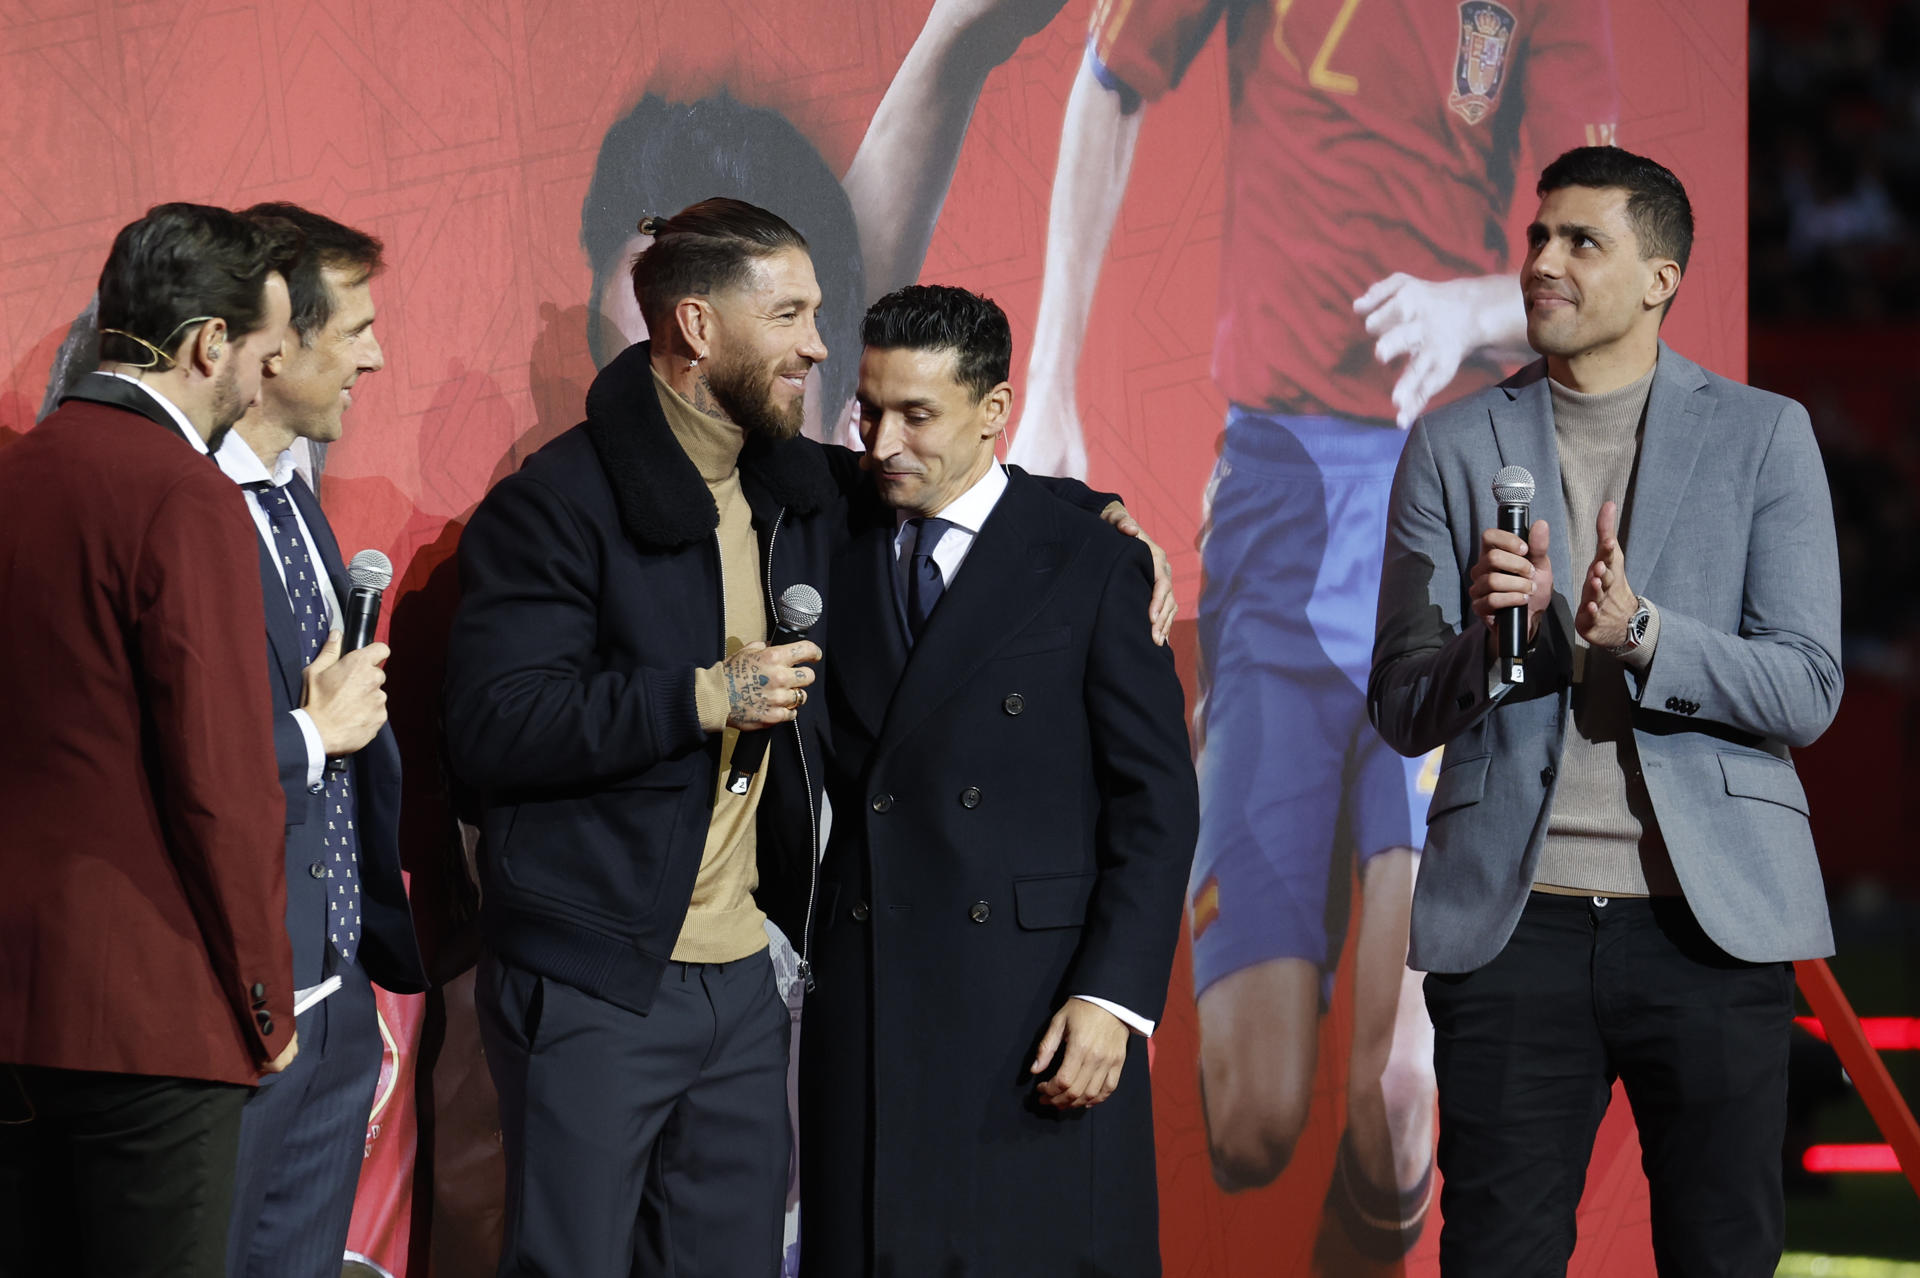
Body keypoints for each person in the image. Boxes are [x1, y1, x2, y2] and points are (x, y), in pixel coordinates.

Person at [1006, 0, 1618, 1251]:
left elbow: (1612, 254)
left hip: (1455, 520)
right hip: (1278, 518)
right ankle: (1329, 872)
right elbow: (1108, 82)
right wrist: (1051, 395)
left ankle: (1385, 891)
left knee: (1398, 1108)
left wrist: (1469, 307)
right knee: (1251, 1123)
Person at [445, 199, 1153, 1278]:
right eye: (790, 315)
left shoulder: (792, 488)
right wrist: (702, 697)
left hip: (742, 981)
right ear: (696, 326)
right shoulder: (556, 507)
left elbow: (956, 480)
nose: (819, 347)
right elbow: (493, 726)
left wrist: (1097, 513)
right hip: (599, 970)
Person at [1370, 145, 1842, 1274]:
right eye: (1539, 238)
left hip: (1709, 926)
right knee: (1498, 1256)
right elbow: (1399, 700)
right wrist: (1496, 641)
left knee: (1721, 1253)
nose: (1543, 261)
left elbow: (1809, 685)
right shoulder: (1450, 443)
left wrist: (1643, 635)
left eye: (1583, 241)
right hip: (1512, 925)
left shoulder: (1763, 435)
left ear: (1660, 278)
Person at [797, 285, 1197, 1278]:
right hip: (869, 992)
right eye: (869, 409)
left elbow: (1159, 807)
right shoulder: (827, 530)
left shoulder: (1092, 567)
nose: (884, 441)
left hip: (1041, 1006)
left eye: (918, 415)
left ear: (994, 409)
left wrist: (1114, 999)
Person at [0, 203, 301, 1276]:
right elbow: (222, 783)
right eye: (262, 353)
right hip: (150, 1023)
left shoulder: (17, 473)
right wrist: (267, 1001)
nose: (263, 382)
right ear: (208, 344)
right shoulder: (184, 496)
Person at [214, 202, 429, 1278]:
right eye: (354, 332)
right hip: (230, 1008)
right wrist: (313, 729)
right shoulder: (182, 510)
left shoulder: (294, 500)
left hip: (335, 992)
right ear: (274, 343)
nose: (377, 358)